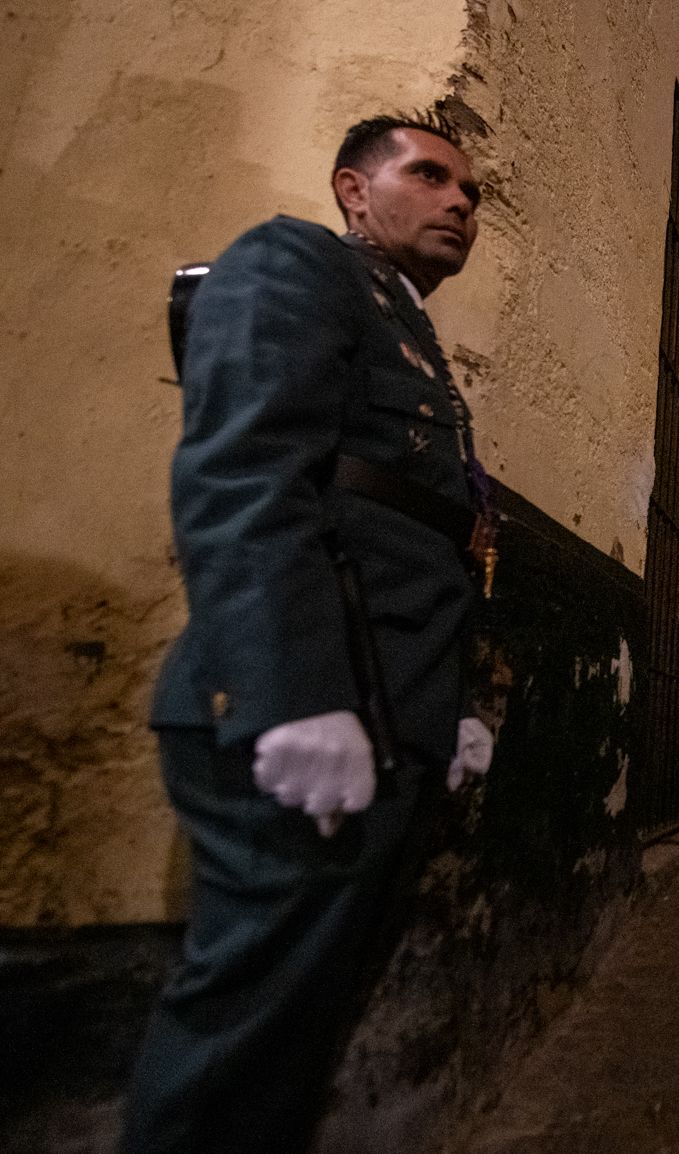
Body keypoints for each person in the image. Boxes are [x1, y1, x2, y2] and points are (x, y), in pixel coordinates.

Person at [124, 113, 496, 1154]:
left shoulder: (405, 326)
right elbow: (243, 475)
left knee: (299, 1036)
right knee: (238, 1041)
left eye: (469, 190)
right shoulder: (294, 263)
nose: (460, 200)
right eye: (429, 175)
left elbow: (401, 529)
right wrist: (290, 692)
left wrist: (447, 703)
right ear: (352, 189)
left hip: (384, 711)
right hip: (305, 715)